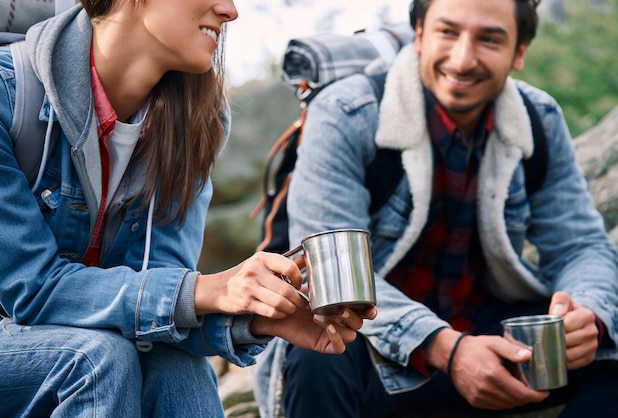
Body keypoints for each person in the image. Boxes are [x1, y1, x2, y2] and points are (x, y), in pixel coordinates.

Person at [0, 1, 375, 416]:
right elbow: (33, 290)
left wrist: (259, 318)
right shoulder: (2, 93)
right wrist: (209, 289)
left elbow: (158, 305)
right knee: (96, 359)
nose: (230, 11)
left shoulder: (194, 120)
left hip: (77, 343)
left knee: (177, 365)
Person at [252, 0, 618, 417]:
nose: (463, 60)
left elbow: (581, 245)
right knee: (324, 345)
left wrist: (589, 314)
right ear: (420, 34)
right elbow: (328, 280)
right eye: (448, 32)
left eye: (489, 39)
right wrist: (447, 348)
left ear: (519, 52)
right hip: (376, 361)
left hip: (485, 342)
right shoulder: (346, 113)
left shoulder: (540, 118)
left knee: (612, 342)